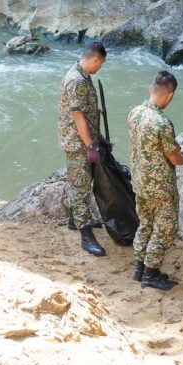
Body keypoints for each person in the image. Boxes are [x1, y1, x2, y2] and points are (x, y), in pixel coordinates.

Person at [127, 71, 183, 292]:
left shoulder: (135, 113)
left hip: (140, 182)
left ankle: (139, 269)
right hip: (160, 186)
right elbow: (173, 157)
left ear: (150, 88)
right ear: (170, 95)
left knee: (145, 224)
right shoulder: (162, 123)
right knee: (165, 229)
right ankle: (151, 275)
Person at [57, 41, 109, 256]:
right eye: (101, 64)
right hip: (77, 143)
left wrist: (100, 139)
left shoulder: (82, 76)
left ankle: (73, 220)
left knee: (82, 181)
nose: (100, 68)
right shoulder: (76, 81)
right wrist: (90, 146)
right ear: (96, 59)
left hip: (84, 140)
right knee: (81, 189)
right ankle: (86, 235)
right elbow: (78, 117)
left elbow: (89, 114)